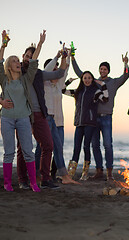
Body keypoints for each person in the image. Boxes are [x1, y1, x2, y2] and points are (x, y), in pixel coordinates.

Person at [0, 32, 66, 190]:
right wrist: (1, 101)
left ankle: (45, 178)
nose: (29, 58)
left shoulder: (37, 73)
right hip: (23, 113)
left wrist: (64, 57)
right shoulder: (16, 73)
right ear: (23, 56)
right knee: (22, 149)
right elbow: (4, 91)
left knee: (48, 145)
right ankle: (23, 180)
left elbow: (59, 73)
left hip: (39, 114)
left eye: (32, 56)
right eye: (27, 55)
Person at [0, 30, 43, 192]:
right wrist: (3, 45)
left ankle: (33, 183)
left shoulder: (25, 79)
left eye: (18, 60)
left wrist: (41, 43)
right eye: (14, 61)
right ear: (9, 66)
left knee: (28, 152)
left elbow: (34, 62)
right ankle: (7, 183)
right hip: (7, 119)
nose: (18, 62)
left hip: (23, 119)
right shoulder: (4, 79)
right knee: (9, 152)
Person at [71, 51, 129, 180]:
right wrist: (73, 58)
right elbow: (80, 73)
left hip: (107, 117)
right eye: (101, 69)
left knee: (108, 144)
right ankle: (99, 171)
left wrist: (125, 63)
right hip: (93, 119)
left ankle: (109, 172)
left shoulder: (114, 82)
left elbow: (126, 76)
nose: (102, 71)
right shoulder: (94, 82)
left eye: (105, 69)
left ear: (108, 71)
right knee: (94, 145)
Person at [40, 49, 79, 184]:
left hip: (59, 122)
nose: (56, 71)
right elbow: (47, 69)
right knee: (43, 148)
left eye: (57, 69)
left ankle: (55, 174)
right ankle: (38, 173)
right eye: (54, 69)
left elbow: (65, 70)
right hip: (46, 120)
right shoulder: (44, 84)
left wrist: (67, 57)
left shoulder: (59, 85)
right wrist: (56, 57)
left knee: (58, 148)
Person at [64, 71, 109, 180]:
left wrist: (103, 85)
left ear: (92, 79)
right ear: (82, 79)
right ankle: (71, 173)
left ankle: (85, 173)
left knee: (86, 147)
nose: (87, 80)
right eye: (85, 78)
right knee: (76, 148)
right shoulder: (78, 91)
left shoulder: (96, 91)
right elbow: (63, 90)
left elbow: (105, 99)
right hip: (79, 123)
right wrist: (68, 81)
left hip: (90, 123)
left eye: (89, 78)